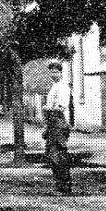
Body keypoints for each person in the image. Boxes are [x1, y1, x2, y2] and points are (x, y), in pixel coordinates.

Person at [42, 60, 74, 195]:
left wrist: (47, 109)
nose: (53, 74)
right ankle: (59, 185)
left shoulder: (63, 87)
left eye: (56, 72)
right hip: (52, 123)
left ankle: (64, 186)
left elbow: (60, 108)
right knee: (51, 155)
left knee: (59, 154)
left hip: (59, 123)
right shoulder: (54, 87)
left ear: (61, 73)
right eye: (51, 72)